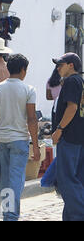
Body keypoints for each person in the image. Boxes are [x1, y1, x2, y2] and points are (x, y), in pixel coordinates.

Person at [0, 53, 40, 221]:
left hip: (1, 138)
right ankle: (12, 215)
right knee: (16, 178)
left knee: (6, 178)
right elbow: (31, 119)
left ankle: (8, 213)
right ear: (23, 70)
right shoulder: (29, 90)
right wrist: (35, 145)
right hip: (19, 139)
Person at [51, 53, 84, 221]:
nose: (58, 68)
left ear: (71, 65)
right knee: (77, 179)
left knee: (66, 181)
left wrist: (59, 129)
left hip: (70, 137)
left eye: (60, 64)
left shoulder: (71, 81)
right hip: (79, 138)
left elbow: (72, 107)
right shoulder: (81, 81)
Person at [46, 66, 62, 132]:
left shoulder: (50, 81)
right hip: (66, 106)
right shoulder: (66, 81)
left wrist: (56, 97)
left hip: (55, 107)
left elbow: (48, 97)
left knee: (55, 129)